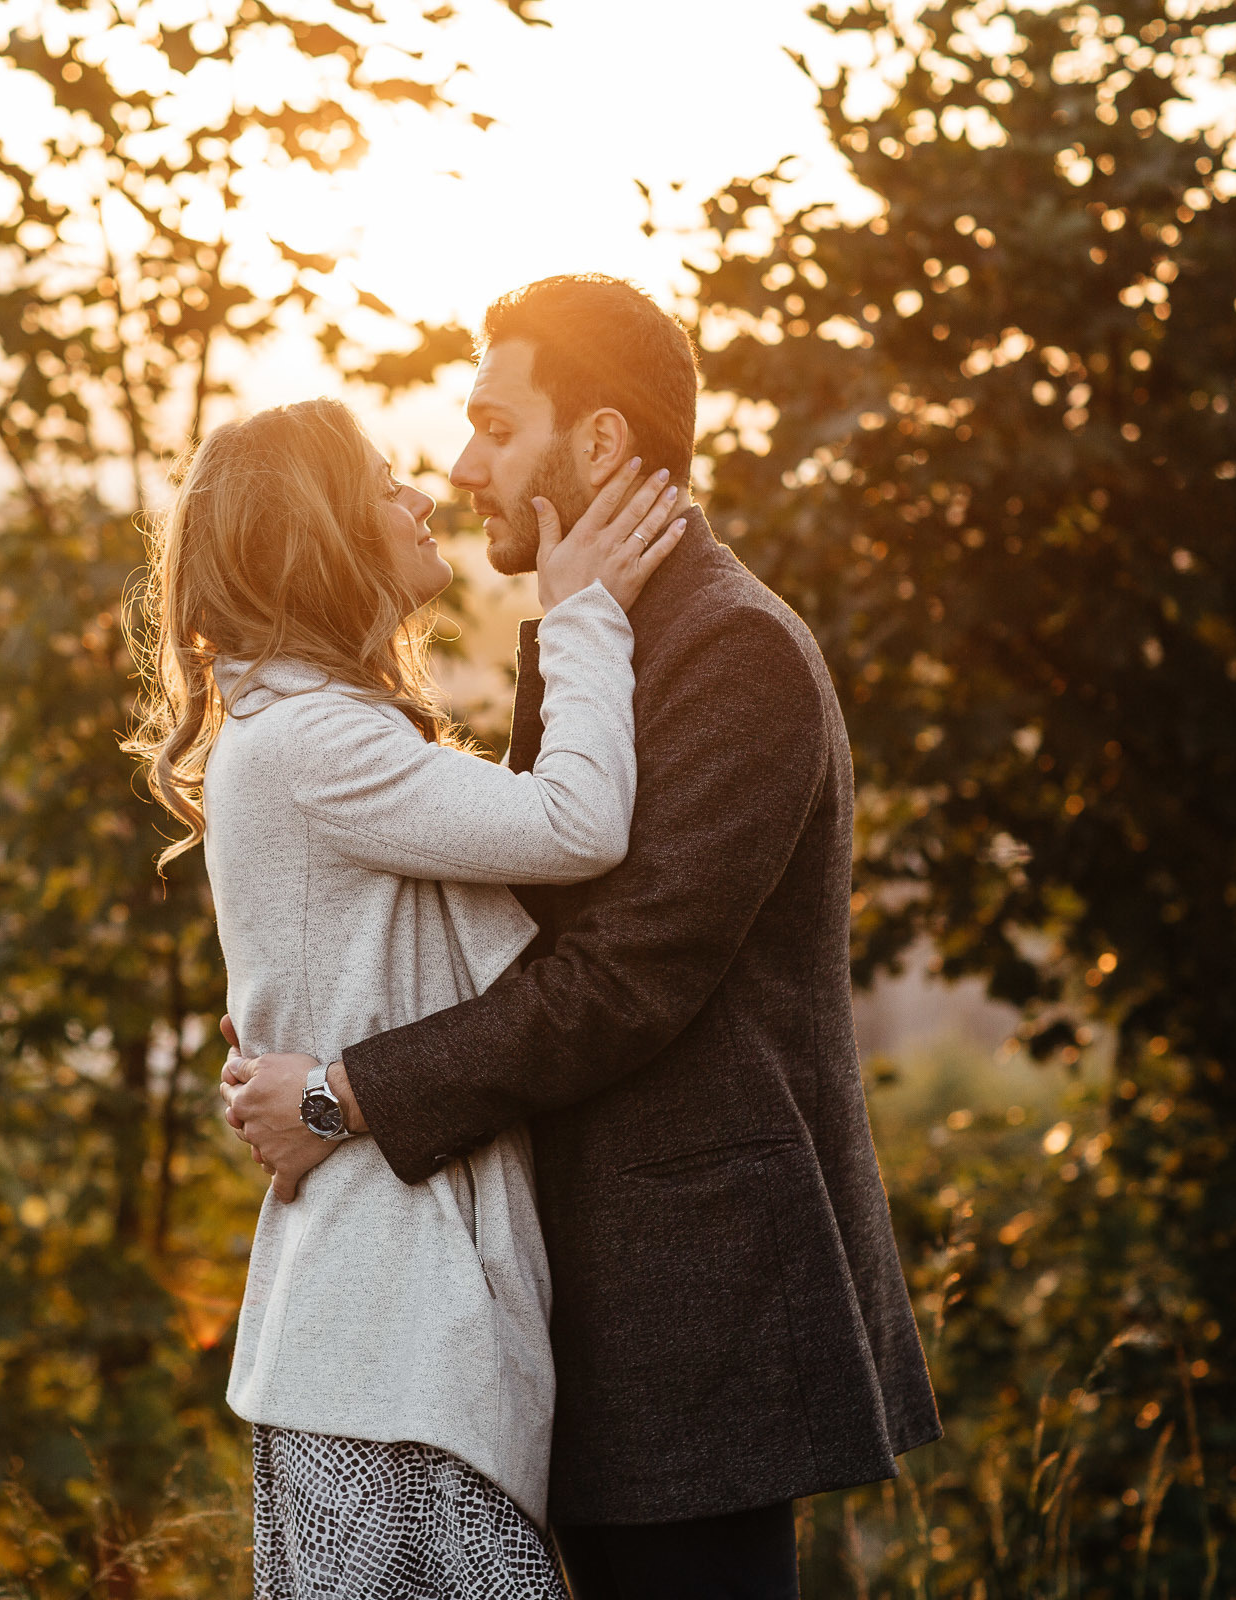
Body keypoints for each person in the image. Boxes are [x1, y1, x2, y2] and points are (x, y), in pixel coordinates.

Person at [222, 276, 943, 1600]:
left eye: (497, 427)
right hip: (593, 1311)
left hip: (697, 1314)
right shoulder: (603, 644)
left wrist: (348, 1091)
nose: (462, 467)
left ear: (599, 444)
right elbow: (522, 921)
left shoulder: (734, 654)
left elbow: (618, 982)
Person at [128, 394, 689, 1599]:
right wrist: (583, 619)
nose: (421, 493)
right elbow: (578, 824)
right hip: (386, 1347)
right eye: (383, 486)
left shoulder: (304, 734)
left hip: (388, 1341)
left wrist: (317, 1086)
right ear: (316, 533)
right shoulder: (314, 741)